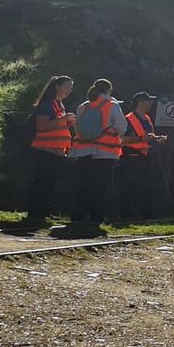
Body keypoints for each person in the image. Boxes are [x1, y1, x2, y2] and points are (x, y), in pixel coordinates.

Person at [68, 79, 127, 232]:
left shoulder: (83, 106)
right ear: (109, 90)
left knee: (82, 185)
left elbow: (77, 126)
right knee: (101, 187)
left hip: (83, 152)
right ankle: (96, 217)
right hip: (105, 153)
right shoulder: (112, 105)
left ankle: (78, 216)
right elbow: (122, 128)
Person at [21, 74, 75, 227]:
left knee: (49, 183)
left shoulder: (59, 105)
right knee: (41, 182)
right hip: (44, 150)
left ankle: (42, 212)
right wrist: (63, 119)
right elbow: (43, 126)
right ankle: (35, 212)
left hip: (55, 151)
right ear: (57, 87)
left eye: (70, 88)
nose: (68, 91)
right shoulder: (47, 104)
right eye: (66, 87)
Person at [116, 91, 167, 221]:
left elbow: (149, 136)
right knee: (130, 186)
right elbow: (121, 139)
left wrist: (157, 139)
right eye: (148, 100)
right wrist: (141, 139)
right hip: (131, 157)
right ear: (140, 102)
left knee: (147, 187)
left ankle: (146, 214)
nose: (151, 103)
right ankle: (128, 215)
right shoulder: (128, 119)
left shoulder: (147, 118)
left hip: (147, 157)